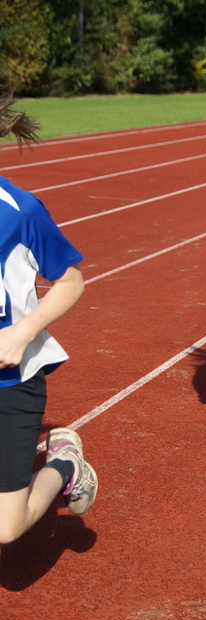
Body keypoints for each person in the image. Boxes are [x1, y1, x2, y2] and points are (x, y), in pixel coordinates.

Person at [0, 96, 97, 544]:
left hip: (11, 383)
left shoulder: (19, 210)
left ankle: (64, 464)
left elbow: (71, 280)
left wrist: (23, 331)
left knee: (6, 529)